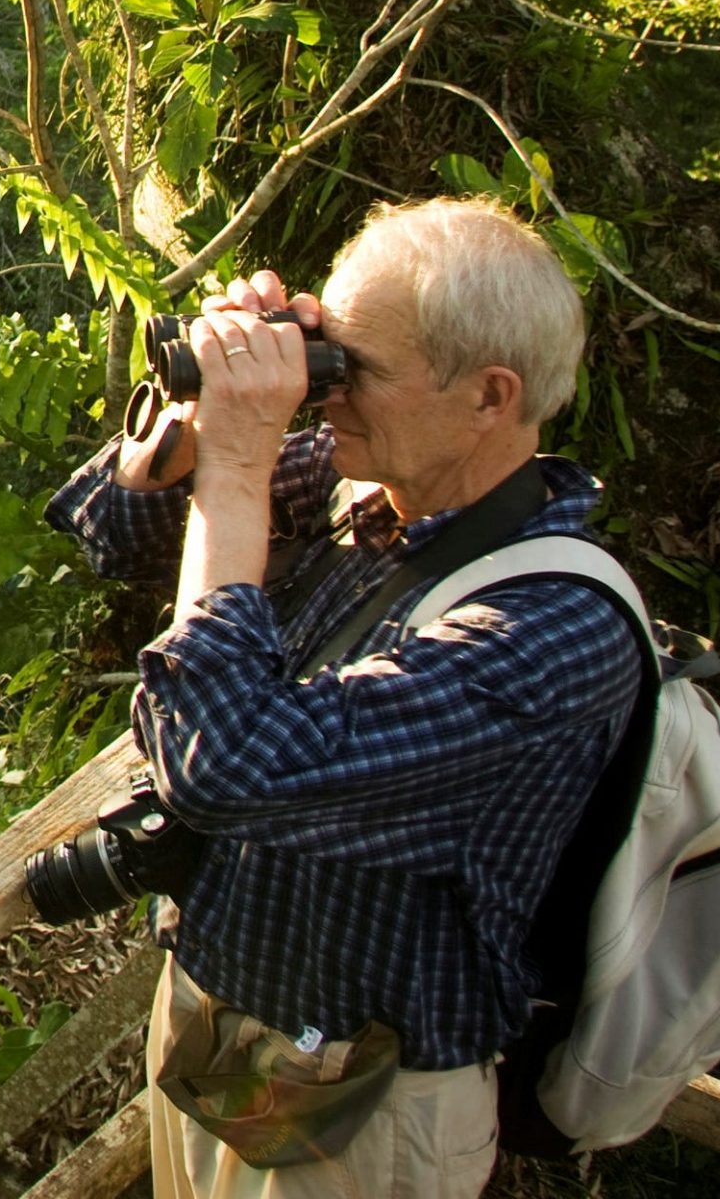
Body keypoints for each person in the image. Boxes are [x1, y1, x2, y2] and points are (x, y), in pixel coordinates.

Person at [46, 197, 646, 1199]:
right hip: (221, 1026)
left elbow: (220, 761)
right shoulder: (365, 479)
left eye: (351, 368)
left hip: (360, 1109)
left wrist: (239, 467)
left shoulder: (550, 633)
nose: (325, 393)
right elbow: (120, 533)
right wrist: (200, 423)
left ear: (490, 397)